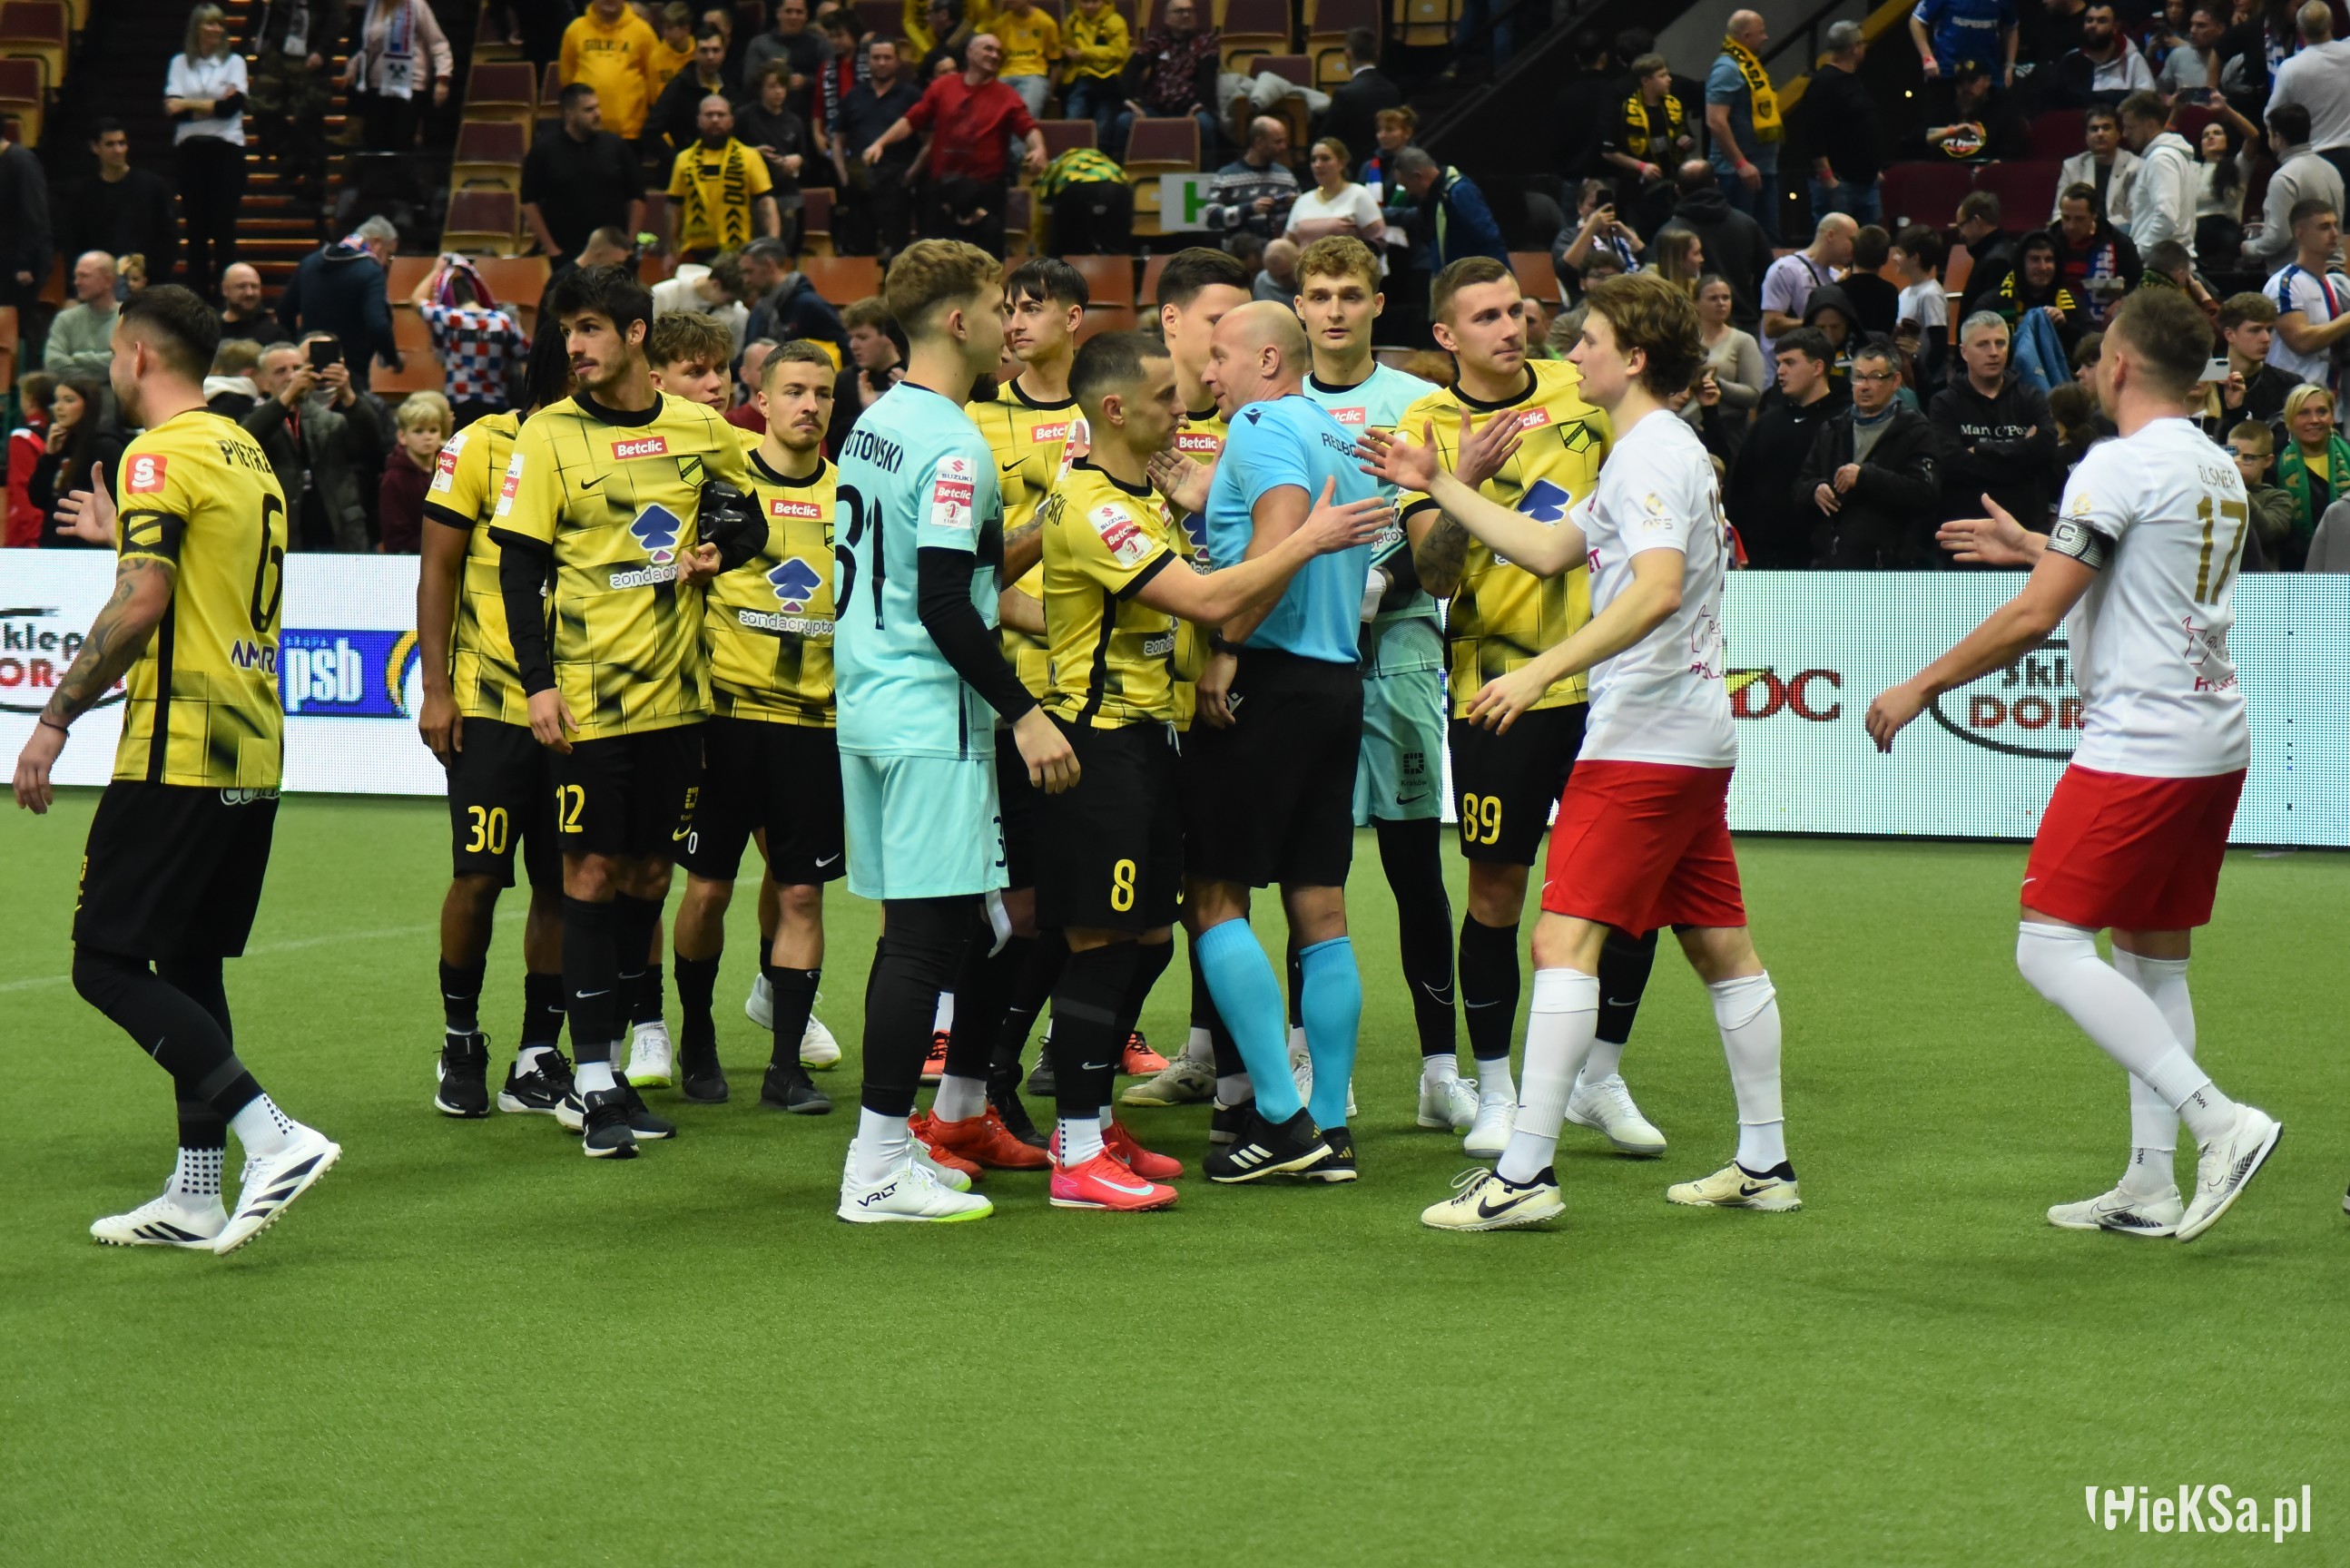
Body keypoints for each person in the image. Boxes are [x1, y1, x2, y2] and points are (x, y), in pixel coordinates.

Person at [1376, 272, 1794, 1230]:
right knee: (1722, 948)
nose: (1570, 353)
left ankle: (1524, 1175)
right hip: (1689, 734)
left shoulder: (1646, 453)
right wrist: (1439, 482)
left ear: (1634, 357)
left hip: (1641, 736)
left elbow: (1653, 589)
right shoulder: (1652, 446)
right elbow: (1548, 549)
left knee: (1560, 941)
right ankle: (1765, 1161)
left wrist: (1538, 672)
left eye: (1589, 340)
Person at [1867, 285, 2282, 1243]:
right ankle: (2149, 1183)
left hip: (2139, 743)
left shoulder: (2116, 464)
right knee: (2150, 958)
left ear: (2119, 365)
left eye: (2098, 360)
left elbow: (2036, 617)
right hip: (2211, 735)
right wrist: (2033, 545)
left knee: (2047, 946)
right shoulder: (2215, 465)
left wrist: (1919, 685)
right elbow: (2134, 578)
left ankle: (2220, 1123)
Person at [11, 283, 341, 1254]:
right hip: (254, 739)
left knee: (104, 961)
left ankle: (271, 1136)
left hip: (179, 745)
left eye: (115, 353)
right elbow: (192, 578)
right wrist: (119, 535)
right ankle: (197, 1193)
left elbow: (144, 601)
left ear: (138, 354)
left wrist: (55, 717)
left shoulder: (156, 453)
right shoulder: (244, 451)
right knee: (190, 962)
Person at [488, 264, 765, 1159]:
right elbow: (520, 571)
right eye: (567, 329)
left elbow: (749, 517)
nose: (574, 345)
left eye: (591, 328)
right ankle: (595, 1079)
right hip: (586, 701)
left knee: (649, 877)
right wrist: (537, 683)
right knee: (589, 875)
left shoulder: (699, 426)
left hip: (679, 698)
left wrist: (720, 549)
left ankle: (608, 1063)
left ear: (637, 334)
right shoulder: (546, 435)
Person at [1391, 256, 1663, 1158]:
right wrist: (1459, 480)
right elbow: (1434, 576)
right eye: (1486, 317)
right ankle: (1498, 1091)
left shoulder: (1579, 387)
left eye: (1516, 310)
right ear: (1446, 336)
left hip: (1608, 680)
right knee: (1497, 891)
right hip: (1497, 692)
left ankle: (1599, 1080)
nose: (1511, 328)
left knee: (1628, 888)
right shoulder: (1424, 427)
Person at [827, 240, 1073, 1220]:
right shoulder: (955, 444)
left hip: (868, 703)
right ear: (960, 321)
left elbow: (934, 577)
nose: (1012, 323)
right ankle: (877, 1167)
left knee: (924, 934)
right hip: (931, 716)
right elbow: (943, 601)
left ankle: (898, 1148)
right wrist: (1025, 712)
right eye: (1001, 305)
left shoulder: (876, 421)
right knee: (926, 943)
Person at [1122, 301, 1381, 1185]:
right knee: (1321, 912)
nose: (1208, 372)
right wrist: (1209, 501)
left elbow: (1280, 540)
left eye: (1222, 356)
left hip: (1264, 682)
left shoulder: (1262, 425)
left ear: (1268, 359)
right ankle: (1329, 1127)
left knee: (1213, 896)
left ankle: (1278, 1119)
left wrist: (1227, 647)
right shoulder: (1331, 431)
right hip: (1335, 681)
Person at [1285, 237, 1466, 1129]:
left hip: (1398, 655)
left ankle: (1441, 1073)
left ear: (1376, 302)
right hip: (1303, 663)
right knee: (1307, 873)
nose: (1333, 310)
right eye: (1319, 294)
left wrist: (1380, 582)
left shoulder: (1418, 404)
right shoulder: (1276, 408)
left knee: (1412, 867)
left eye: (1349, 294)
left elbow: (1438, 526)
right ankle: (1311, 1064)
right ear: (1298, 305)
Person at [931, 257, 1102, 1144]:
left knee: (1104, 915)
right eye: (1009, 308)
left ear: (1074, 317)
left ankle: (1055, 1084)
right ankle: (976, 1075)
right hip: (1011, 704)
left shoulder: (1111, 409)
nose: (1018, 321)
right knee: (1015, 909)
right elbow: (970, 575)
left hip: (1107, 696)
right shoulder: (974, 423)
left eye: (1034, 307)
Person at [665, 338, 850, 1110]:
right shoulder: (723, 487)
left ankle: (784, 1069)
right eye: (795, 391)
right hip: (725, 722)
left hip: (815, 728)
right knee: (707, 891)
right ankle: (697, 1036)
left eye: (823, 393)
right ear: (763, 401)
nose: (810, 405)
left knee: (801, 895)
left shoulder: (850, 496)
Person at [414, 328, 583, 1124]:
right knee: (479, 878)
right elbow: (438, 568)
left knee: (562, 883)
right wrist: (435, 689)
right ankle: (460, 1040)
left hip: (581, 709)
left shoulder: (606, 448)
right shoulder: (480, 444)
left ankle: (536, 1055)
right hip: (488, 702)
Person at [864, 33, 1043, 257]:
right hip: (942, 194)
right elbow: (912, 120)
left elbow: (1029, 129)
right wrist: (880, 143)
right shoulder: (943, 86)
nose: (994, 55)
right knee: (937, 263)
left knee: (986, 264)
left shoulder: (1007, 96)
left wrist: (1039, 148)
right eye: (988, 49)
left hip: (985, 194)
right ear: (969, 52)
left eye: (998, 52)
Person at [1798, 336, 1939, 566]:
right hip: (1833, 562)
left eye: (1875, 377)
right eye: (1858, 377)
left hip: (1891, 566)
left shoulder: (1916, 431)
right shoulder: (1832, 428)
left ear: (1895, 381)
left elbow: (1925, 493)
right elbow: (1802, 483)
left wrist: (1865, 476)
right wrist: (1815, 489)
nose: (1864, 386)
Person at [1728, 327, 1844, 565]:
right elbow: (1740, 488)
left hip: (1819, 562)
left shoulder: (1844, 422)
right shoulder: (1766, 422)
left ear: (1818, 367)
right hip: (1761, 559)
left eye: (1790, 363)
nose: (1780, 371)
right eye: (1779, 363)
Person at [1932, 311, 2059, 528]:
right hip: (1967, 529)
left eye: (2000, 343)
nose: (1993, 352)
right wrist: (2023, 455)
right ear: (1964, 352)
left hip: (2027, 528)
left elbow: (2046, 448)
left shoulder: (2031, 397)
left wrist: (1981, 449)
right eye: (1982, 344)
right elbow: (1950, 463)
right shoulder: (1944, 403)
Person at [165, 4, 248, 302]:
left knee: (224, 228)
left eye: (219, 24)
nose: (216, 29)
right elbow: (173, 111)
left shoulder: (234, 62)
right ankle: (198, 299)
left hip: (226, 149)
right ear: (196, 28)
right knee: (196, 230)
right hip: (190, 151)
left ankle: (228, 298)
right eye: (209, 24)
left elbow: (230, 108)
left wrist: (190, 104)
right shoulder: (179, 63)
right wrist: (212, 105)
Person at [523, 85, 648, 269]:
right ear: (570, 114)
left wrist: (629, 243)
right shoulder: (544, 150)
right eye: (589, 110)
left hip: (614, 254)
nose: (598, 113)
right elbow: (529, 201)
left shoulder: (616, 146)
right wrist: (552, 249)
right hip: (566, 255)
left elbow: (637, 196)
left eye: (597, 107)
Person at [279, 218, 402, 392]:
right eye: (389, 255)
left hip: (308, 368)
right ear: (376, 243)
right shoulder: (371, 272)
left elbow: (283, 311)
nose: (387, 264)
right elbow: (378, 326)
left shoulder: (309, 262)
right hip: (350, 373)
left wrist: (297, 346)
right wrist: (392, 359)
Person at [410, 254, 530, 428]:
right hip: (495, 403)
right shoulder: (501, 320)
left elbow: (416, 299)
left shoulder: (449, 318)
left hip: (459, 402)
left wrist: (437, 270)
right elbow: (525, 351)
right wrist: (516, 322)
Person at [1657, 159, 1771, 336]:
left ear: (1678, 190)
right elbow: (1766, 275)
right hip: (1744, 323)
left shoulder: (1669, 234)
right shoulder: (1746, 223)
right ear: (1716, 184)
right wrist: (1759, 313)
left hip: (1690, 330)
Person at [834, 35, 922, 257]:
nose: (882, 63)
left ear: (897, 61)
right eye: (876, 58)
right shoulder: (853, 96)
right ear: (868, 61)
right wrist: (844, 177)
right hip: (860, 185)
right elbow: (837, 140)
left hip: (897, 185)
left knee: (899, 254)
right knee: (861, 254)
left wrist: (911, 175)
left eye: (887, 58)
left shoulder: (912, 95)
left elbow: (928, 140)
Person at [64, 123, 179, 289]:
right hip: (101, 283)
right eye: (110, 144)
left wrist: (154, 277)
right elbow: (74, 242)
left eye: (121, 143)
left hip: (147, 281)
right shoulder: (84, 193)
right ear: (95, 147)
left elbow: (168, 235)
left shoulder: (152, 186)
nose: (118, 150)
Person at [242, 0, 335, 205]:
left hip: (311, 53)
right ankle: (290, 157)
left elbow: (335, 18)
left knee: (309, 118)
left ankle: (314, 183)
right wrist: (248, 41)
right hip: (278, 50)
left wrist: (323, 50)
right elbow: (260, 8)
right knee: (261, 107)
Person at [667, 96, 783, 260]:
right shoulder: (683, 159)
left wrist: (773, 244)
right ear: (699, 120)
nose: (715, 120)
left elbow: (766, 203)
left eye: (721, 115)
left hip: (736, 252)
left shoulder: (749, 157)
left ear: (731, 120)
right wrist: (670, 251)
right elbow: (674, 207)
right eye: (709, 115)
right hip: (693, 251)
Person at [1706, 11, 1783, 245]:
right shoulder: (1727, 69)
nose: (1766, 37)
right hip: (1737, 173)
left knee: (1767, 240)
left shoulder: (1750, 66)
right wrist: (1740, 163)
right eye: (1761, 32)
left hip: (1762, 167)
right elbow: (1715, 120)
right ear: (1747, 36)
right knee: (1739, 242)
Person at [2243, 103, 2345, 275]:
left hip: (2299, 277)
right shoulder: (2330, 169)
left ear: (2278, 137)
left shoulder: (2284, 177)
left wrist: (2249, 248)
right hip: (2335, 273)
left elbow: (2278, 237)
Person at [2264, 198, 2350, 397]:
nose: (2334, 234)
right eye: (2324, 227)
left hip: (2329, 399)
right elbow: (2302, 342)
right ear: (2300, 233)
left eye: (2335, 225)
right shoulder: (2285, 283)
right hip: (2292, 400)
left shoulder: (2333, 283)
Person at [1114, 0, 1220, 160]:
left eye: (1190, 11)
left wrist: (1200, 105)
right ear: (1167, 18)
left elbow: (1208, 77)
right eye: (1180, 11)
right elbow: (1132, 68)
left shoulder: (1205, 41)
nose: (1186, 15)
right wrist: (1131, 103)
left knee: (1205, 124)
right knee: (1124, 121)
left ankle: (1207, 173)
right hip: (1154, 110)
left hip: (1190, 110)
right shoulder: (1157, 40)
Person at [342, 0, 455, 151]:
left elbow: (438, 44)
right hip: (379, 85)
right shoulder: (375, 7)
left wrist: (443, 78)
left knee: (402, 140)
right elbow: (369, 45)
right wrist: (354, 67)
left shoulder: (417, 5)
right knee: (376, 140)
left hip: (411, 85)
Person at [1801, 23, 1882, 230]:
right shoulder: (1823, 83)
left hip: (1865, 181)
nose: (1864, 48)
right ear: (1854, 48)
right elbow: (1813, 133)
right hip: (1840, 182)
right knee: (1836, 239)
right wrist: (1826, 176)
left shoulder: (1853, 80)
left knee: (1870, 241)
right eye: (1862, 43)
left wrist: (1873, 169)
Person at [1603, 52, 1694, 234]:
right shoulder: (1625, 110)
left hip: (1671, 186)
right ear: (1646, 81)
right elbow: (1608, 152)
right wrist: (1641, 166)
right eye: (1662, 76)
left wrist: (1687, 142)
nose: (1669, 79)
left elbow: (1686, 136)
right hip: (1638, 190)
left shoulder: (1673, 105)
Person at [26, 377, 123, 549]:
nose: (58, 407)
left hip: (87, 552)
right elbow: (37, 498)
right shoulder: (61, 444)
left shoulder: (106, 446)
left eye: (68, 400)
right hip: (53, 548)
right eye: (56, 400)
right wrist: (49, 457)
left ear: (88, 406)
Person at [2268, 0, 2350, 193]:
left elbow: (2272, 115)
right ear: (2331, 24)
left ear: (2300, 29)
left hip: (2315, 158)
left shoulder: (2290, 69)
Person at [734, 61, 811, 250]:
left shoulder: (794, 121)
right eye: (772, 86)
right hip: (754, 196)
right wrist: (753, 153)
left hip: (787, 193)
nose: (778, 92)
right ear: (761, 89)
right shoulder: (745, 116)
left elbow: (805, 158)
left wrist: (797, 160)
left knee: (787, 250)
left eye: (782, 86)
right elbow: (729, 150)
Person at [1758, 212, 1854, 364]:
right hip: (1782, 369)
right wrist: (1817, 323)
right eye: (1851, 240)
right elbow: (1771, 326)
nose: (1855, 247)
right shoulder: (1785, 270)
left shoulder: (1836, 277)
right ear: (1830, 235)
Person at [561, 0, 663, 142]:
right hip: (584, 132)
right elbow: (567, 79)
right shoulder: (575, 29)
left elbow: (655, 80)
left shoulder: (643, 31)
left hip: (630, 134)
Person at [1391, 147, 1507, 270]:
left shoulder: (1460, 192)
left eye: (1406, 185)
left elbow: (1489, 239)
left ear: (1418, 177)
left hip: (1476, 276)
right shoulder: (1436, 196)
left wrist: (1496, 276)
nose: (1408, 193)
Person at [2120, 92, 2199, 263]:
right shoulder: (2170, 155)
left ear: (2150, 125)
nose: (2125, 134)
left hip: (2161, 265)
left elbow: (2166, 216)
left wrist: (2140, 253)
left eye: (2130, 127)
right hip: (2169, 262)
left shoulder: (2161, 159)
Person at [2051, 183, 2142, 328]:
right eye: (2066, 218)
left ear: (2094, 215)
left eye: (2079, 219)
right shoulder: (2049, 241)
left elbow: (2139, 286)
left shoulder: (2120, 244)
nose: (2071, 226)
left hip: (2104, 325)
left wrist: (2122, 302)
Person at [644, 26, 739, 163]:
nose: (710, 57)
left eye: (715, 50)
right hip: (690, 166)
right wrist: (678, 160)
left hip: (726, 165)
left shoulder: (731, 85)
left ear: (724, 52)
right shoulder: (679, 87)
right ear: (694, 53)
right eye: (704, 51)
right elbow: (650, 132)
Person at [1284, 137, 1386, 262]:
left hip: (1347, 270)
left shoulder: (1359, 194)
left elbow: (1378, 241)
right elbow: (1287, 244)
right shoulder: (1303, 200)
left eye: (1325, 159)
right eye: (1313, 159)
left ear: (1341, 163)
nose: (1317, 165)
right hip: (1306, 271)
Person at [1204, 116, 1301, 243]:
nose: (1284, 146)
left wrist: (1294, 205)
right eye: (1277, 142)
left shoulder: (1286, 176)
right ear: (1259, 143)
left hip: (1276, 251)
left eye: (1284, 141)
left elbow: (1301, 216)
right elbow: (1212, 217)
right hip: (1237, 252)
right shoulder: (1225, 176)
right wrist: (1249, 209)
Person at [1318, 27, 1399, 181]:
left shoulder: (1345, 94)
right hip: (1388, 172)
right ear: (1376, 54)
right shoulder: (1392, 90)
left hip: (1354, 174)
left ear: (1348, 53)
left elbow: (1327, 138)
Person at [2276, 380, 2348, 548]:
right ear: (2289, 420)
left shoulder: (2348, 453)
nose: (2314, 420)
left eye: (2322, 411)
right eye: (2304, 413)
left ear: (2332, 416)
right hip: (2298, 558)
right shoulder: (2275, 465)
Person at [2205, 290, 2295, 426]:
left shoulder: (2288, 385)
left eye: (2269, 330)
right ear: (2230, 335)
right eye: (2255, 330)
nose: (2266, 339)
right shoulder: (2203, 380)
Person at [1915, 59, 2029, 163]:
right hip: (1947, 173)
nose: (1965, 87)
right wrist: (1951, 131)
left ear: (1987, 81)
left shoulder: (2003, 110)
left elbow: (2014, 154)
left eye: (1972, 80)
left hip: (1986, 174)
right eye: (1960, 82)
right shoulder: (1944, 109)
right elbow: (1915, 140)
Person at [377, 390, 450, 552]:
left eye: (433, 430)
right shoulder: (394, 479)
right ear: (402, 436)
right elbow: (396, 539)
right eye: (418, 431)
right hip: (411, 558)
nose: (427, 437)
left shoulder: (451, 468)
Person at [1993, 230, 2087, 356]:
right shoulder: (1995, 303)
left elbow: (2090, 346)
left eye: (2049, 260)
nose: (2043, 267)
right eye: (2035, 259)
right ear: (2021, 263)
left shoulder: (2073, 304)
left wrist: (2065, 327)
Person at [2222, 419, 2297, 565]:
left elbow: (2266, 532)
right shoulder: (2217, 492)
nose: (2236, 462)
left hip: (2258, 576)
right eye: (2232, 453)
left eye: (2248, 458)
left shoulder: (2279, 498)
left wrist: (2236, 485)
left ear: (2268, 461)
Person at [1694, 273, 1766, 426]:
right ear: (1696, 303)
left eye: (1726, 298)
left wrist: (1718, 384)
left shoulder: (1743, 341)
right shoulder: (1684, 340)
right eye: (1713, 298)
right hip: (1686, 423)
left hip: (1727, 425)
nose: (1721, 303)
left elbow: (1754, 395)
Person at [2052, 0, 2155, 106]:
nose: (2093, 25)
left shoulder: (2133, 60)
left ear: (2115, 27)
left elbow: (2147, 102)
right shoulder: (2070, 61)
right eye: (2089, 20)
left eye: (2101, 21)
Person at [0, 116, 51, 325]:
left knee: (16, 326)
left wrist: (25, 263)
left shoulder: (20, 160)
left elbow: (33, 215)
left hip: (19, 264)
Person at [2056, 105, 2139, 230]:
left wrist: (2094, 227)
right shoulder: (2071, 166)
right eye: (2094, 129)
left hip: (2118, 232)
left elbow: (2131, 215)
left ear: (2118, 134)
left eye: (2106, 128)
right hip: (2078, 231)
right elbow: (2059, 212)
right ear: (2086, 136)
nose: (2100, 134)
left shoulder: (2135, 166)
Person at [45, 252, 124, 384]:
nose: (77, 282)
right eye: (76, 276)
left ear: (108, 281)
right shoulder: (66, 319)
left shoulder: (129, 317)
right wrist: (104, 375)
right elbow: (53, 363)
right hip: (75, 394)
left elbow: (126, 363)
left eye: (84, 276)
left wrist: (79, 358)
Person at [742, 0, 824, 123]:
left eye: (799, 12)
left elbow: (831, 80)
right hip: (765, 117)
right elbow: (748, 83)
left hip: (808, 115)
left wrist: (806, 81)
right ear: (778, 13)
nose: (794, 17)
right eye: (788, 11)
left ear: (806, 15)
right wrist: (769, 72)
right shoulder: (759, 44)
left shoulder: (820, 45)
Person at [1911, 0, 2016, 84]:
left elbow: (2011, 28)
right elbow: (1916, 21)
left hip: (1987, 74)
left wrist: (2010, 65)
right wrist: (1927, 58)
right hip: (1947, 72)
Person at [5, 371, 54, 547]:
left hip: (29, 539)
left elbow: (23, 490)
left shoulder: (22, 438)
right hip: (52, 530)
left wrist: (31, 540)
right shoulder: (60, 434)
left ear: (31, 400)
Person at [991, 0, 1058, 119]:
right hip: (1005, 74)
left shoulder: (1046, 23)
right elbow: (995, 60)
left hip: (1035, 75)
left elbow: (1056, 63)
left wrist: (1050, 93)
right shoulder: (1000, 24)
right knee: (991, 112)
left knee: (1025, 115)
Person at [218, 262, 270, 335]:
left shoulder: (273, 334)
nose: (249, 293)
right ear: (225, 289)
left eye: (254, 286)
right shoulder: (210, 330)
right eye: (241, 286)